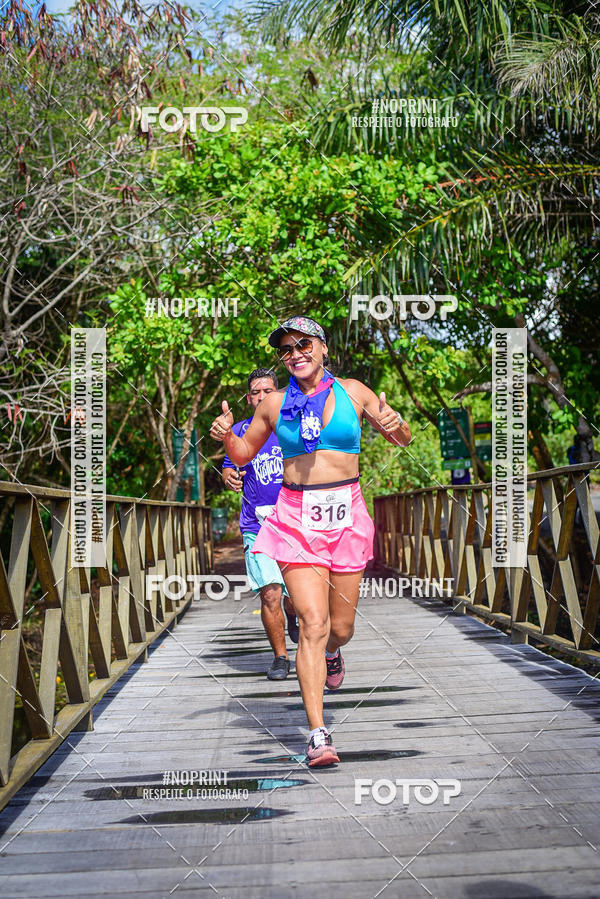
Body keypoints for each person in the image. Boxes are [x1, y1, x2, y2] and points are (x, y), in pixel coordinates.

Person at [211, 317, 411, 766]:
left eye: (303, 344)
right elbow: (244, 455)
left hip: (346, 517)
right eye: (286, 349)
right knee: (313, 623)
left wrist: (396, 424)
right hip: (295, 518)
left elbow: (400, 438)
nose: (295, 353)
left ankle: (335, 656)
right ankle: (318, 735)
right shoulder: (274, 404)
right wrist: (227, 437)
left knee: (340, 629)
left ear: (322, 347)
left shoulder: (354, 392)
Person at [222, 368, 299, 681]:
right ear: (249, 397)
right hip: (257, 525)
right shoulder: (241, 430)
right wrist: (227, 476)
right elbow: (231, 468)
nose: (262, 396)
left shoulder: (291, 427)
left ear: (278, 394)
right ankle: (280, 658)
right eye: (256, 392)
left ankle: (292, 616)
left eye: (269, 390)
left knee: (295, 596)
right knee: (270, 594)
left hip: (295, 524)